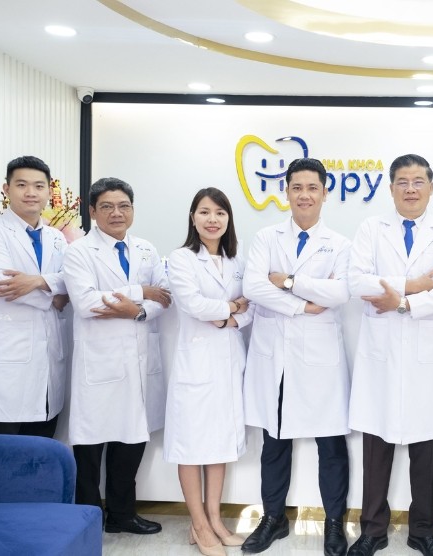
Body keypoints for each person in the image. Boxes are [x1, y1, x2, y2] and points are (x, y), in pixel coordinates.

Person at [347, 153, 433, 556]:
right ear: (391, 187)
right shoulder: (371, 228)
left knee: (426, 452)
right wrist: (413, 284)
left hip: (424, 356)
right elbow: (357, 281)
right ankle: (372, 531)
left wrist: (403, 301)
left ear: (431, 187)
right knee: (375, 448)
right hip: (380, 356)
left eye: (418, 182)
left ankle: (423, 532)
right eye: (402, 181)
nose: (410, 189)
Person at [242, 158, 351, 556]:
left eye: (312, 188)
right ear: (286, 191)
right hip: (277, 356)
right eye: (297, 187)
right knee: (274, 442)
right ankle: (273, 519)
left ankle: (335, 523)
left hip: (320, 359)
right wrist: (304, 304)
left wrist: (287, 281)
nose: (304, 195)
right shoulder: (266, 237)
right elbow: (253, 286)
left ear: (325, 193)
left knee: (331, 445)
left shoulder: (340, 244)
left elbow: (340, 293)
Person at [63, 177, 171, 535]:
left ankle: (122, 515)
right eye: (107, 206)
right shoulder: (79, 251)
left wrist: (137, 311)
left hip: (137, 360)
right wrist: (139, 291)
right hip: (99, 362)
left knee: (131, 440)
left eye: (124, 206)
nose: (116, 213)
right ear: (93, 212)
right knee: (90, 446)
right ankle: (87, 520)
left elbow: (164, 297)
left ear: (133, 210)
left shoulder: (146, 249)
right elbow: (85, 302)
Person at [164, 187, 253, 556]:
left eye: (219, 212)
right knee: (190, 446)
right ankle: (199, 525)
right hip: (196, 365)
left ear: (228, 219)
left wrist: (229, 316)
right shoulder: (181, 258)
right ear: (193, 217)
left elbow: (252, 307)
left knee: (219, 444)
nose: (212, 219)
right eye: (204, 212)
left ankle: (215, 520)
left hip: (229, 364)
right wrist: (231, 308)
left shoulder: (237, 261)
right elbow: (193, 304)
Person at [0, 155, 69, 437]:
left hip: (48, 361)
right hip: (7, 360)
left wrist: (38, 281)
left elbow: (71, 279)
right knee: (4, 451)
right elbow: (6, 286)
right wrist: (54, 295)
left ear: (48, 191)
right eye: (22, 185)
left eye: (39, 186)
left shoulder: (56, 237)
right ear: (7, 189)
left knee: (42, 448)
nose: (31, 192)